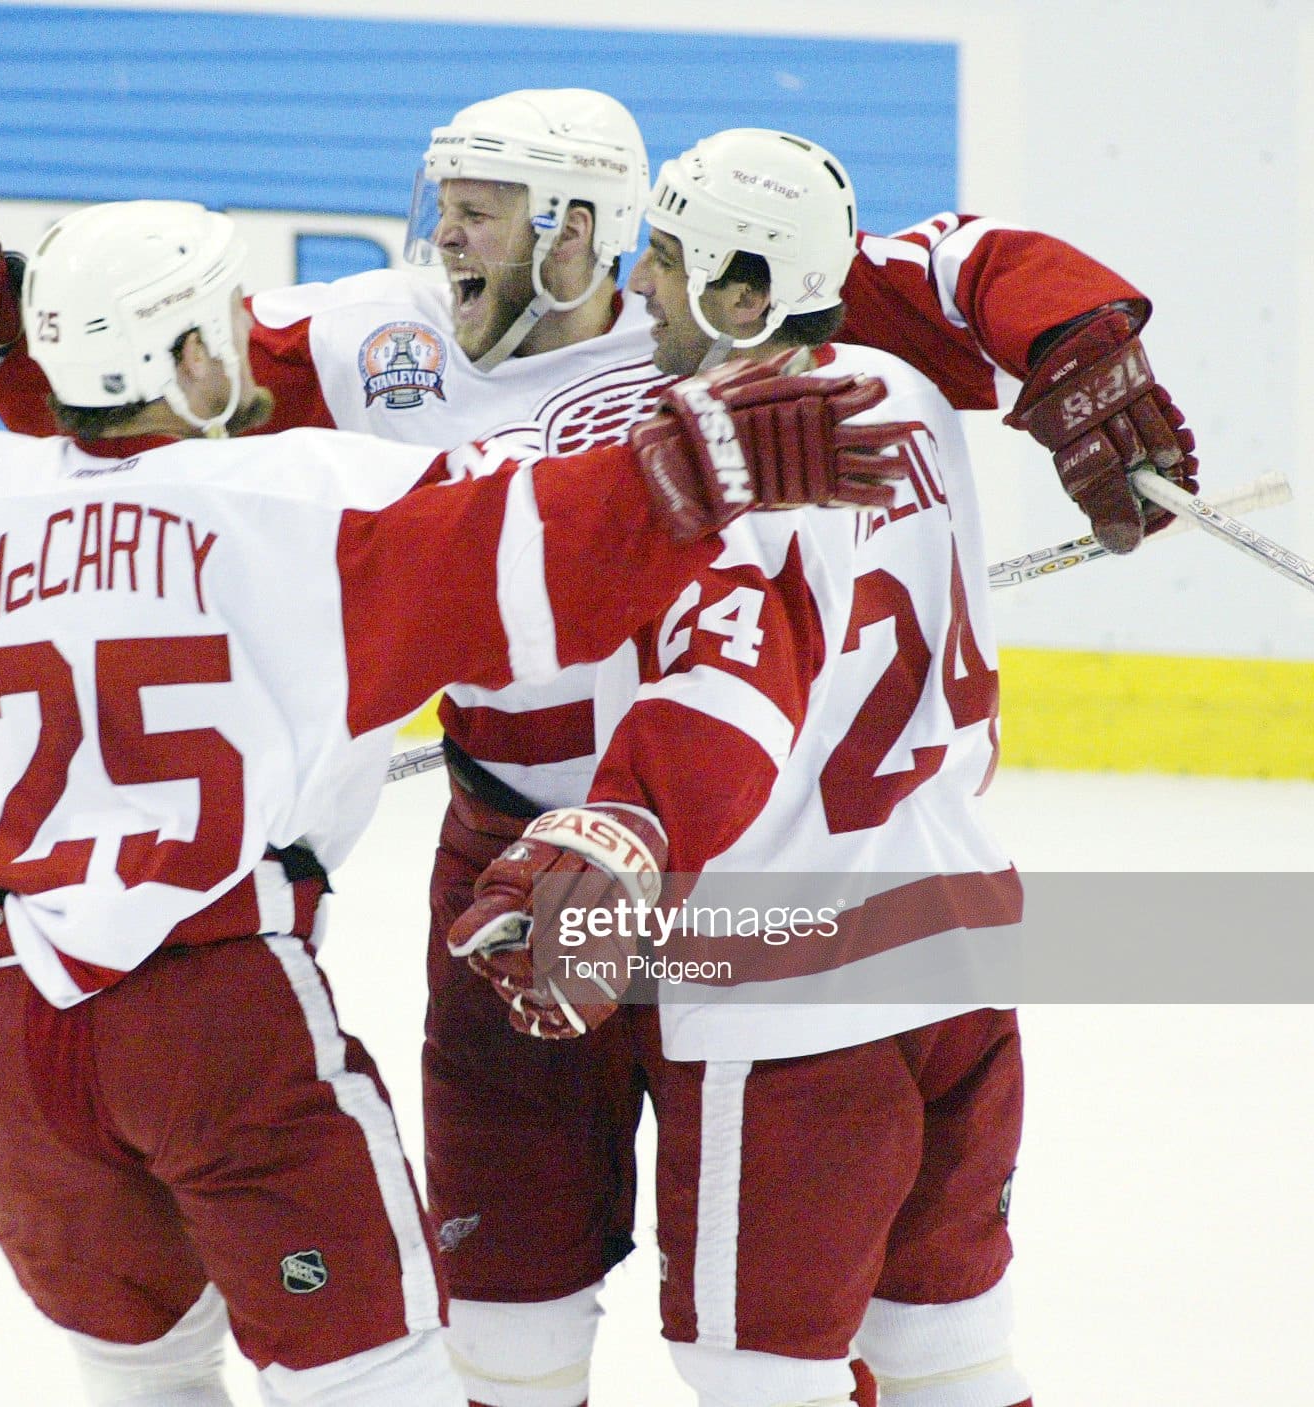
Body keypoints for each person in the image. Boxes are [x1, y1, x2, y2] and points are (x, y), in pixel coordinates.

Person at [0, 91, 1195, 1405]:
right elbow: (163, 414)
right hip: (517, 868)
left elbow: (967, 264)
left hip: (716, 877)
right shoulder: (373, 339)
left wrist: (1076, 335)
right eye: (447, 203)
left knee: (768, 1332)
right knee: (505, 1287)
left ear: (587, 231)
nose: (443, 235)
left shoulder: (726, 314)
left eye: (481, 207)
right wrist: (3, 321)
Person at [0, 198, 912, 1407]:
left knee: (145, 1382)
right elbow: (534, 547)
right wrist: (698, 469)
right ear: (181, 356)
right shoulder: (314, 504)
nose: (254, 340)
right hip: (213, 1019)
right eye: (229, 322)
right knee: (371, 1378)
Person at [449, 129, 1049, 1407]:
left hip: (793, 990)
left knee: (758, 1379)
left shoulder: (741, 466)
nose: (642, 286)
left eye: (666, 261)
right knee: (949, 1359)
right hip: (959, 944)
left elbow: (730, 699)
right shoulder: (905, 391)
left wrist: (603, 843)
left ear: (745, 293)